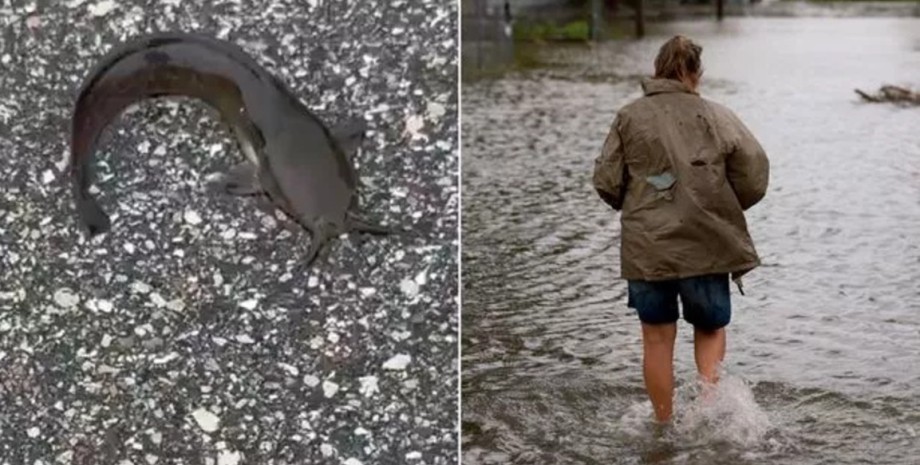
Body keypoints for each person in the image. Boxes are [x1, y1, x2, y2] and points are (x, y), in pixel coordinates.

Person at [592, 35, 769, 423]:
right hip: (707, 242)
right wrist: (721, 205)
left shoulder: (628, 117)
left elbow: (606, 182)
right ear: (695, 74)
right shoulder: (717, 115)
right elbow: (754, 174)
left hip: (647, 248)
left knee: (656, 339)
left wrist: (640, 204)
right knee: (708, 329)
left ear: (658, 70)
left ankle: (662, 425)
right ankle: (706, 418)